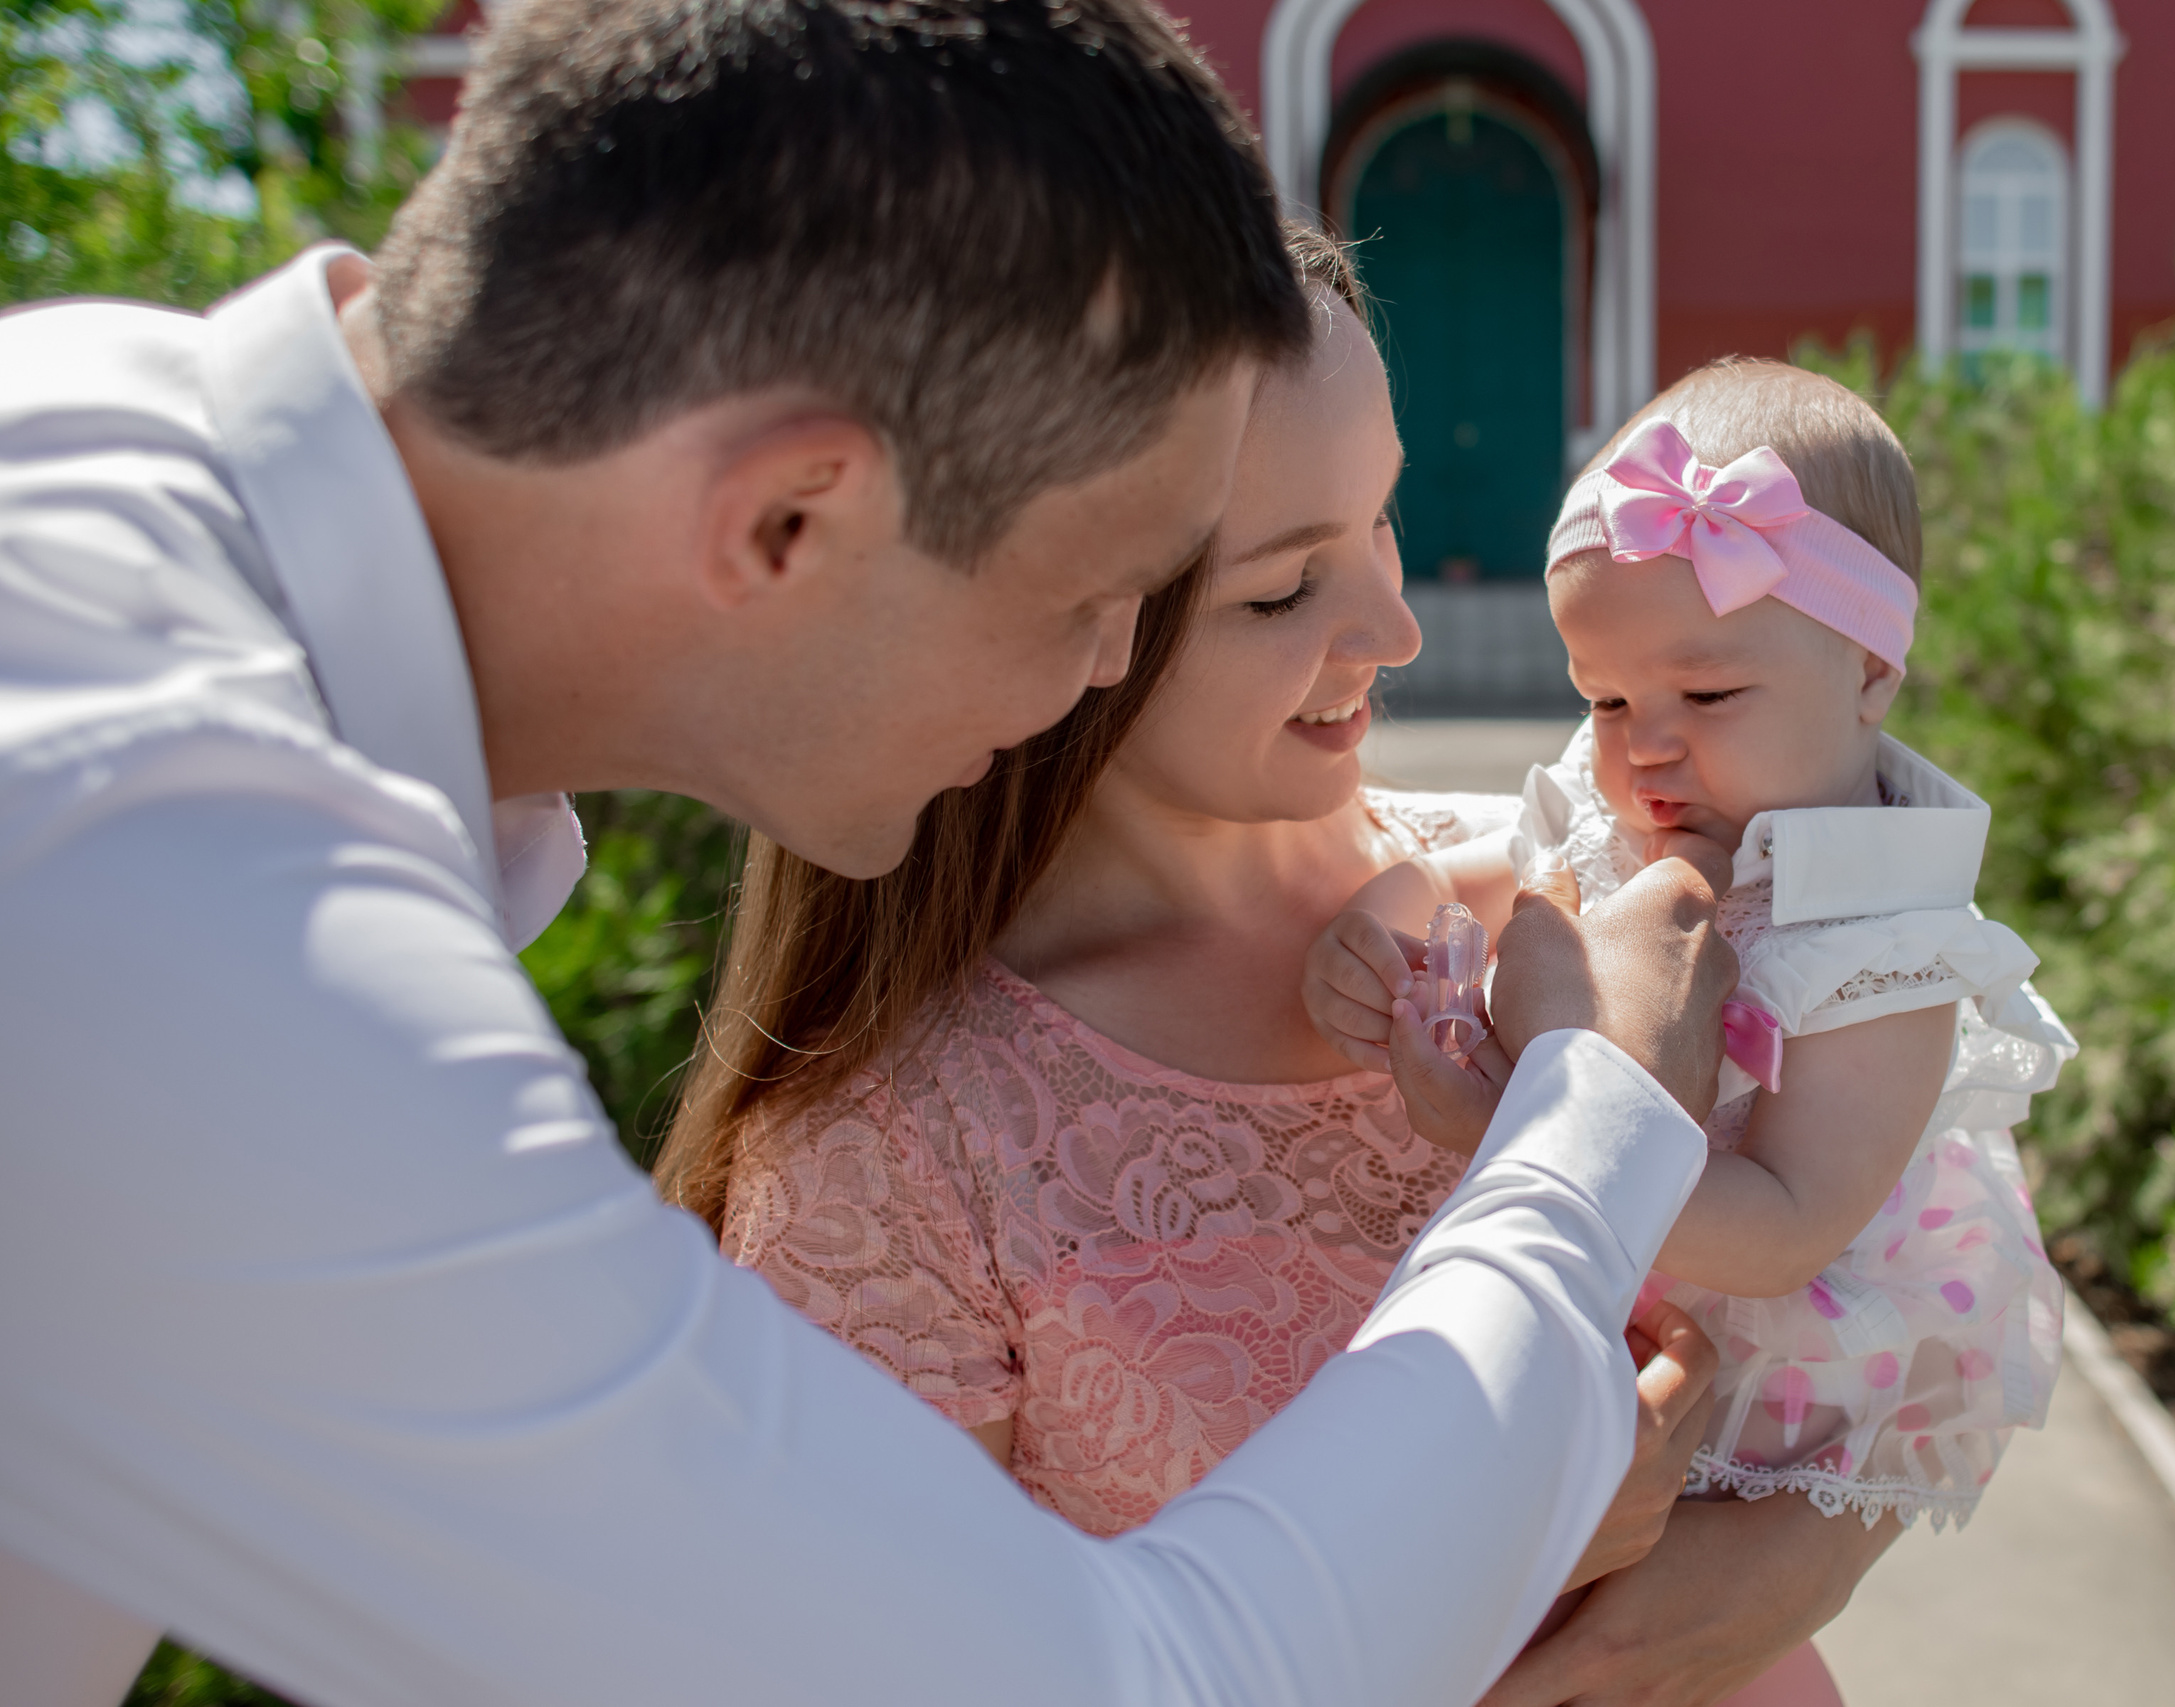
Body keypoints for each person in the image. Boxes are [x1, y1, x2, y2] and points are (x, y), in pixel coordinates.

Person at [0, 4, 1744, 1705]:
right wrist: (1593, 1131)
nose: (1097, 674)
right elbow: (1119, 1679)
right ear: (787, 518)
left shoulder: (87, 451)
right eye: (1086, 594)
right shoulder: (174, 908)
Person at [689, 257, 1908, 1707]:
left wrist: (1794, 1559)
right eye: (1280, 590)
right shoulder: (886, 1152)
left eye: (1383, 516)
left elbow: (1923, 1254)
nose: (1396, 629)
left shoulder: (1566, 875)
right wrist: (1482, 1547)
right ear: (1038, 615)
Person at [1309, 360, 2084, 1702]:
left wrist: (1518, 1130)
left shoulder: (1881, 941)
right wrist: (1379, 921)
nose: (1644, 749)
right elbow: (1492, 866)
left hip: (1764, 1377)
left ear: (1870, 672)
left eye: (1707, 698)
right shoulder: (1630, 810)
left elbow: (1788, 1223)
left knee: (1690, 1649)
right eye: (1606, 699)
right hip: (1611, 1326)